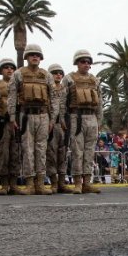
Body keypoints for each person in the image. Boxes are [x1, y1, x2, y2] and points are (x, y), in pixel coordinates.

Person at [7, 43, 56, 195]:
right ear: (26, 57)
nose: (35, 57)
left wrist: (53, 119)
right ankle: (29, 183)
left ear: (40, 58)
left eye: (37, 55)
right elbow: (12, 96)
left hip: (43, 115)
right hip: (25, 115)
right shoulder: (18, 74)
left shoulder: (46, 75)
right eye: (32, 55)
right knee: (27, 149)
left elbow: (53, 98)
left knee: (41, 150)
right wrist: (12, 117)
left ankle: (40, 183)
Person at [64, 49, 103, 194]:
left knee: (89, 152)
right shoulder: (69, 79)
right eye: (82, 61)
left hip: (91, 118)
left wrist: (99, 122)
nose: (86, 64)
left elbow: (100, 103)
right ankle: (77, 183)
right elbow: (63, 102)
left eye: (88, 62)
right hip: (76, 117)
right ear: (77, 63)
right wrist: (63, 120)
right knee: (77, 151)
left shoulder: (95, 80)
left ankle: (87, 182)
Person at [0, 58, 20, 194]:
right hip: (1, 123)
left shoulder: (19, 85)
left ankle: (13, 184)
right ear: (1, 70)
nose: (9, 70)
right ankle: (3, 183)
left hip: (17, 124)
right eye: (6, 67)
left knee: (15, 153)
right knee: (2, 154)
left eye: (12, 68)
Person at [45, 63, 70, 193]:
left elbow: (66, 107)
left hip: (63, 124)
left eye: (60, 73)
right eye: (55, 73)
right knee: (51, 154)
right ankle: (53, 183)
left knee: (63, 154)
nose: (58, 75)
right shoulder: (47, 89)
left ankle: (62, 182)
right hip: (50, 124)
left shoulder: (65, 89)